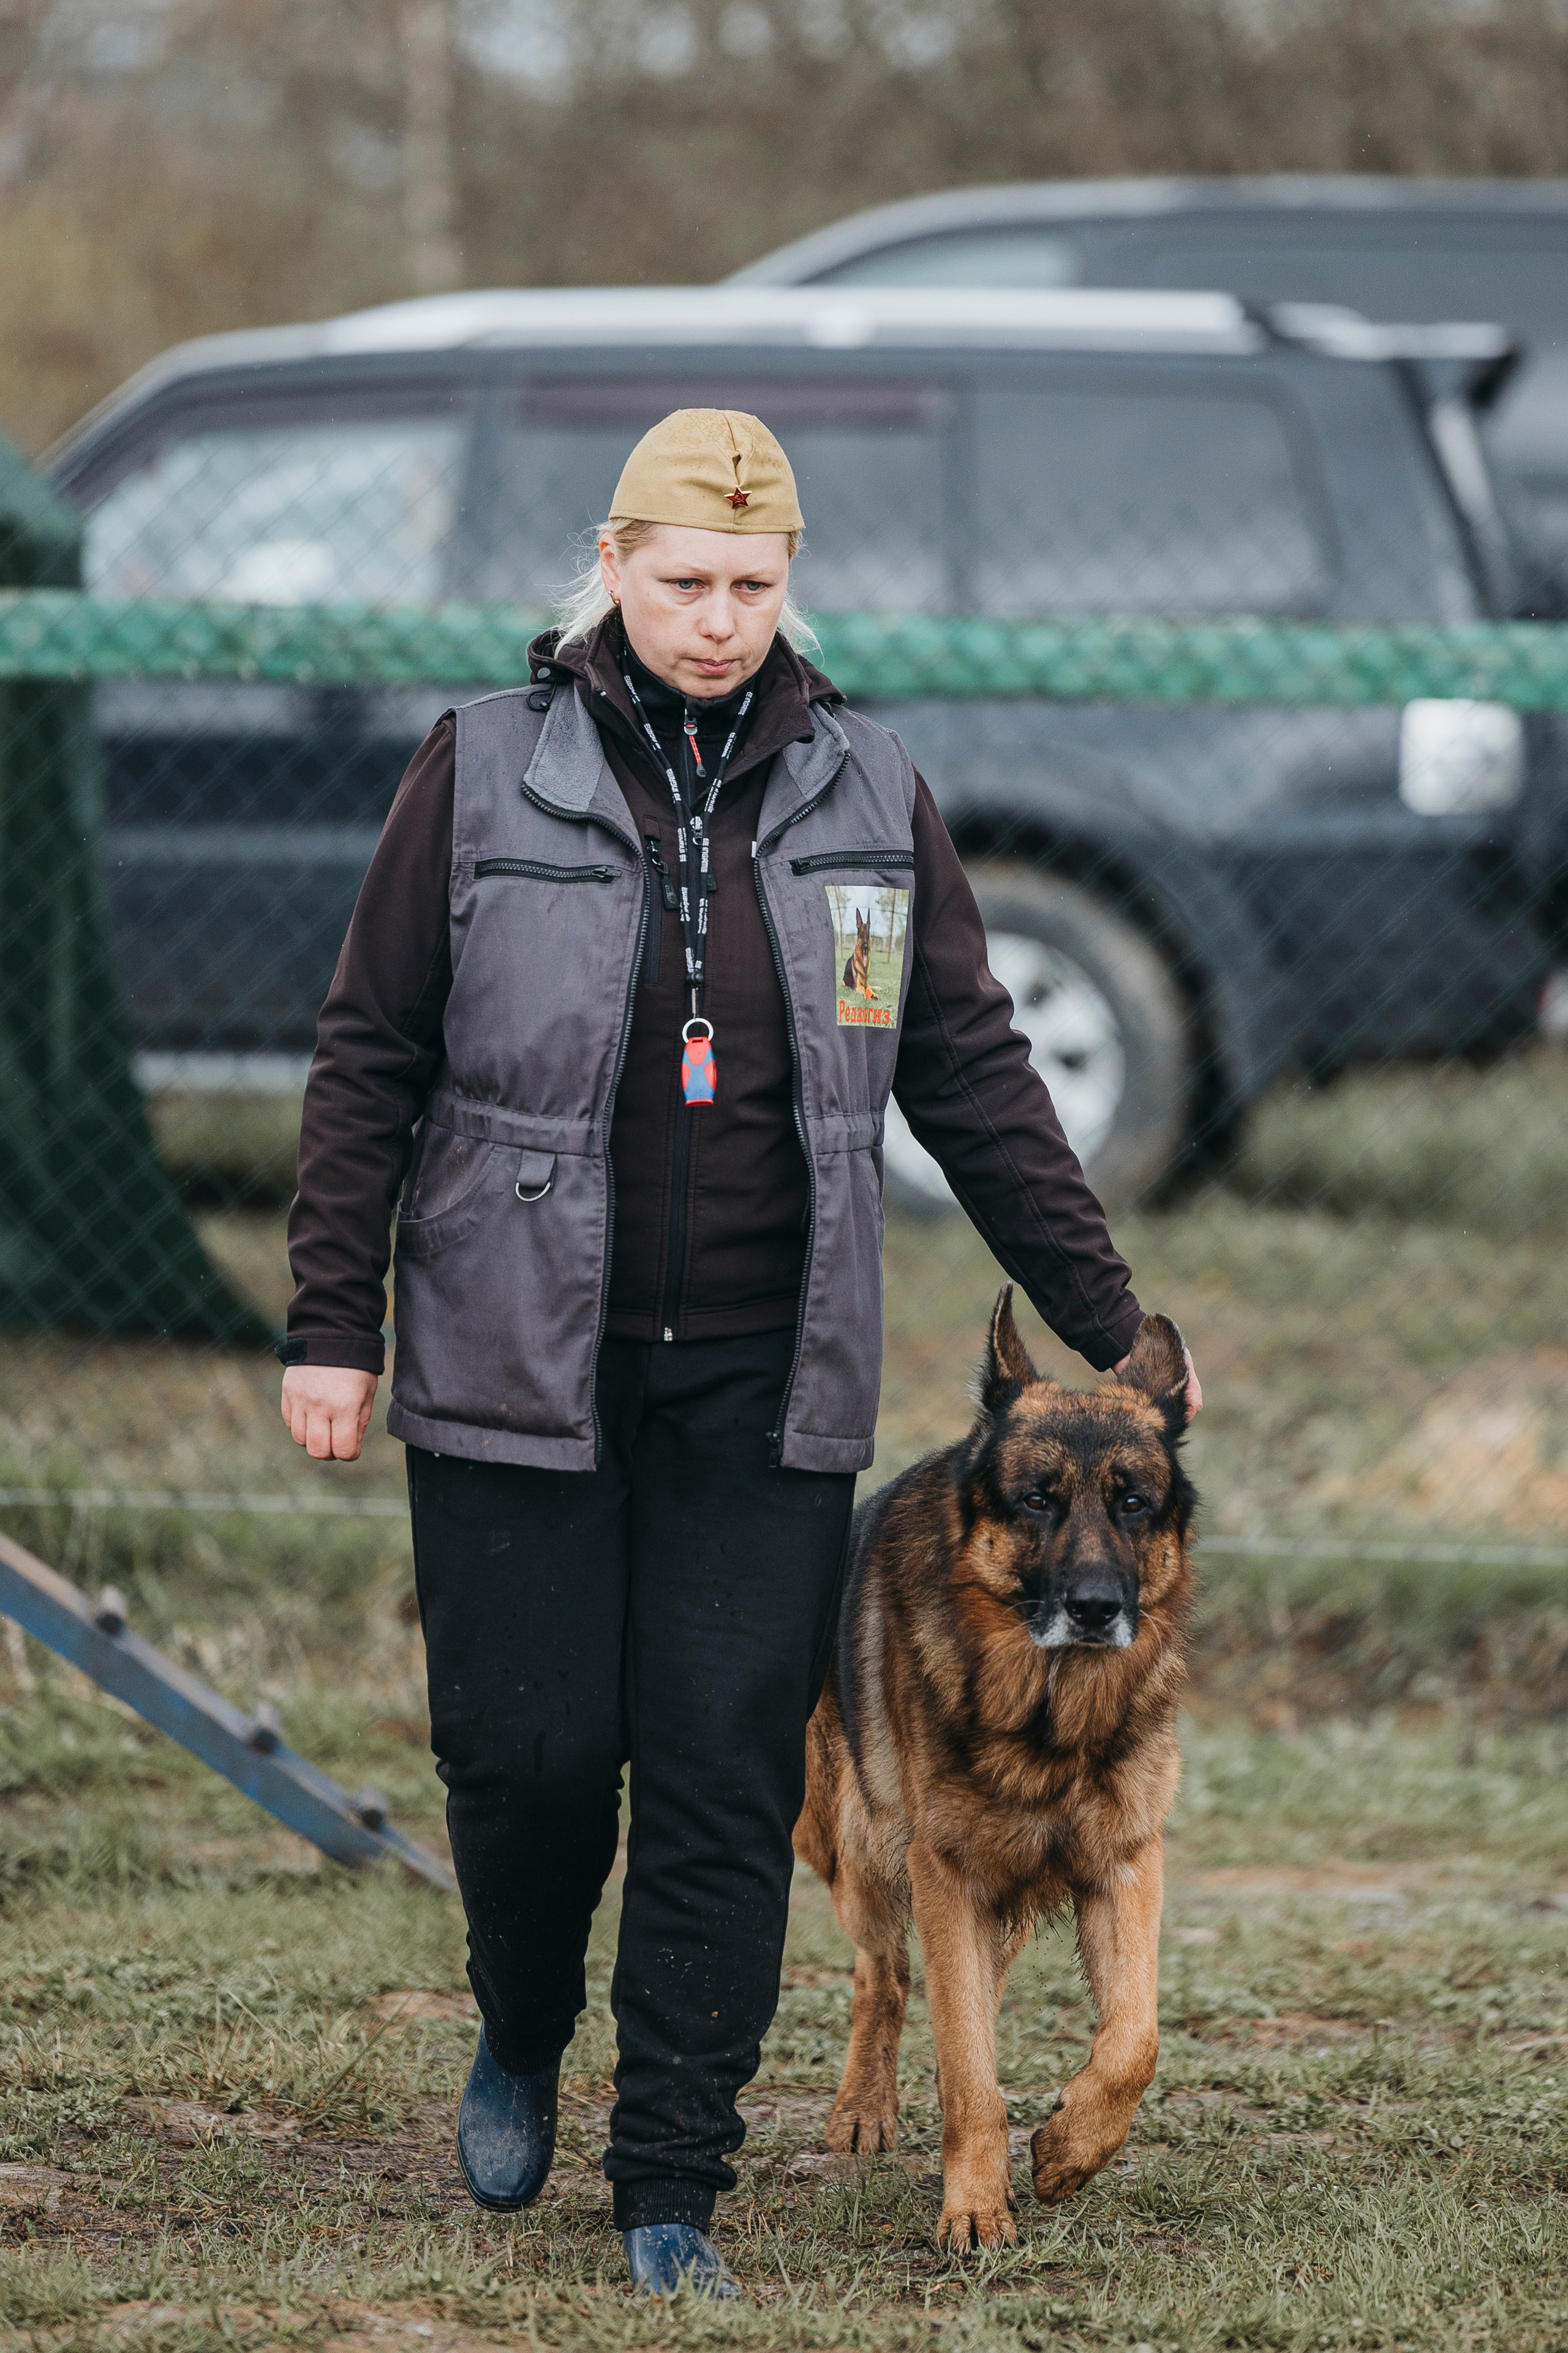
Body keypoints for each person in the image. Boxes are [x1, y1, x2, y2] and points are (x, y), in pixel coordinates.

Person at [277, 409, 1200, 2298]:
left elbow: (969, 1070)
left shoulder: (868, 787)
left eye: (753, 588)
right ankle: (524, 2020)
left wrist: (1109, 1316)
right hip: (515, 1354)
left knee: (716, 1772)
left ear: (793, 587)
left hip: (768, 1373)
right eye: (684, 583)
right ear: (611, 569)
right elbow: (370, 1053)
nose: (718, 622)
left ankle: (670, 2174)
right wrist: (327, 1319)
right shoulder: (480, 771)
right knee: (532, 1763)